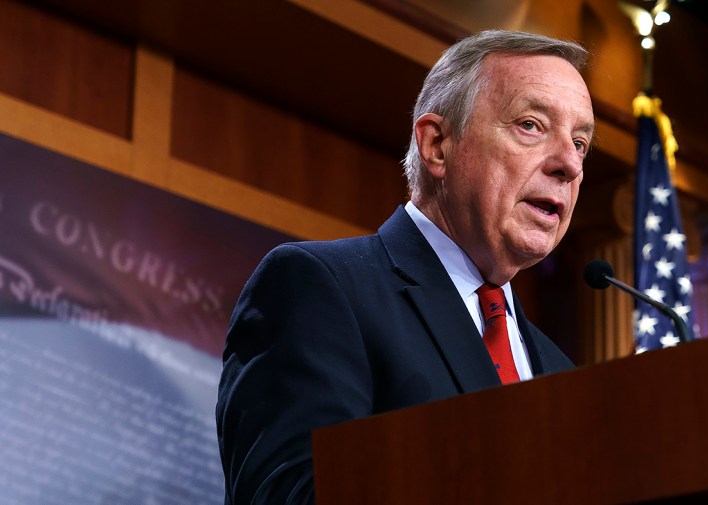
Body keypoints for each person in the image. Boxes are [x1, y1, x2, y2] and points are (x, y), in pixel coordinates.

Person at [216, 29, 596, 504]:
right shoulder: (320, 288)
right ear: (437, 144)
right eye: (531, 125)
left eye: (580, 143)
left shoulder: (562, 373)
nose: (569, 164)